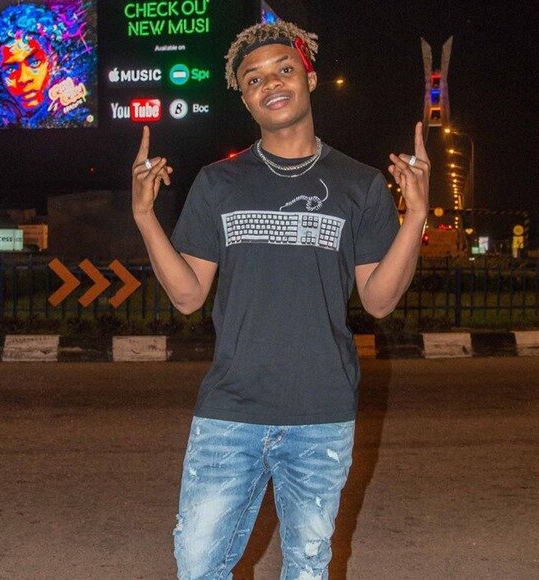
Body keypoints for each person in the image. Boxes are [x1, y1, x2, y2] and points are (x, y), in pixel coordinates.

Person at [131, 19, 429, 579]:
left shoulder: (360, 184)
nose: (270, 82)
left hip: (321, 415)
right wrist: (145, 217)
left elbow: (380, 301)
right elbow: (188, 296)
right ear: (245, 98)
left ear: (309, 78)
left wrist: (414, 217)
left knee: (307, 568)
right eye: (254, 78)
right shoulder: (218, 183)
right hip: (230, 410)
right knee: (197, 565)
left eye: (283, 69)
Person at [0, 2, 95, 129]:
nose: (24, 78)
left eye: (35, 63)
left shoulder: (79, 108)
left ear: (53, 61)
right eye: (11, 70)